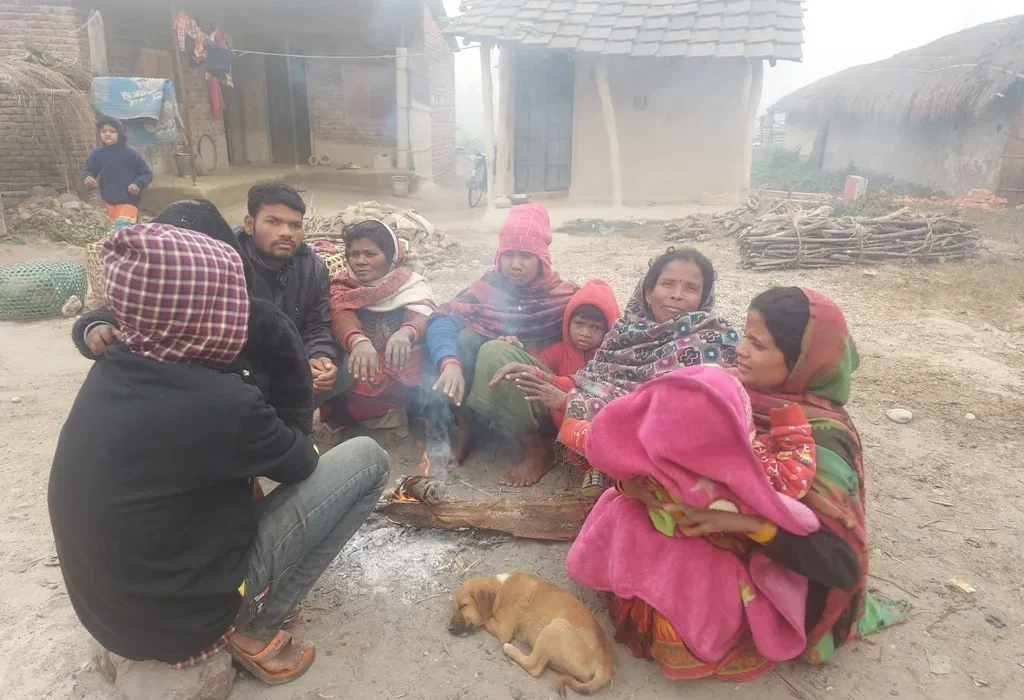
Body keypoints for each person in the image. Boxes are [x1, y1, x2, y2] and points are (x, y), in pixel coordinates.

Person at [49, 223, 389, 684]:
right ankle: (257, 623)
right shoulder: (219, 401)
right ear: (205, 307)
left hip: (111, 615)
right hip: (182, 626)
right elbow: (300, 463)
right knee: (368, 459)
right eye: (230, 299)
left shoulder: (115, 364)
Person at [566, 289, 905, 682]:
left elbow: (841, 564)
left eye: (758, 345)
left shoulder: (822, 435)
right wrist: (633, 485)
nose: (741, 350)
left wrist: (745, 524)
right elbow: (647, 448)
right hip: (695, 520)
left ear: (800, 362)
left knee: (686, 562)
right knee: (623, 512)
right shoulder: (722, 392)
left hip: (766, 556)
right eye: (745, 336)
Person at [71, 199, 315, 435]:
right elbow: (108, 314)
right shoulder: (149, 302)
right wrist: (93, 327)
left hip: (244, 417)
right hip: (166, 414)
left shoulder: (257, 315)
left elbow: (294, 380)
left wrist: (293, 432)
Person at [558, 247, 739, 494]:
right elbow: (593, 381)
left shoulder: (714, 341)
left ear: (703, 298)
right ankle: (601, 468)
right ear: (648, 292)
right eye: (667, 284)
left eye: (690, 288)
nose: (677, 295)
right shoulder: (623, 333)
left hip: (672, 451)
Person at [425, 203, 578, 485]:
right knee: (465, 339)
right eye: (508, 254)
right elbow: (443, 318)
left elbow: (589, 348)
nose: (515, 265)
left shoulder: (564, 297)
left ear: (542, 258)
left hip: (548, 396)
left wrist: (519, 351)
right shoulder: (487, 288)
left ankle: (538, 448)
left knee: (495, 352)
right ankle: (466, 428)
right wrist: (450, 362)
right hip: (500, 391)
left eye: (525, 255)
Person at [472, 280, 620, 487]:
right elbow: (532, 363)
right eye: (579, 324)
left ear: (609, 329)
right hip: (556, 418)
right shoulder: (559, 350)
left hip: (590, 418)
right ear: (567, 322)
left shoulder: (614, 358)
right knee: (508, 363)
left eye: (595, 327)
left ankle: (593, 466)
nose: (585, 333)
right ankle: (545, 451)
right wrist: (514, 347)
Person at [323, 219, 436, 432]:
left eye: (370, 254)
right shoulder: (342, 284)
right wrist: (358, 341)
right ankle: (350, 415)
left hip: (399, 359)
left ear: (391, 256)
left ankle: (415, 410)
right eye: (354, 254)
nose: (360, 261)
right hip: (359, 359)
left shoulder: (410, 283)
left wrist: (406, 333)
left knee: (429, 343)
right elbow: (341, 314)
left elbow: (422, 313)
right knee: (337, 360)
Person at [236, 181, 341, 408]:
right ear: (250, 225)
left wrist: (319, 357)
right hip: (238, 375)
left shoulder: (312, 268)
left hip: (287, 368)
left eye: (295, 225)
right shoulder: (226, 262)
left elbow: (316, 325)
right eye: (273, 222)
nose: (286, 233)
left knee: (348, 363)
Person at [81, 115, 153, 223]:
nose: (107, 134)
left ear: (120, 133)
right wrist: (87, 177)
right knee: (115, 230)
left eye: (112, 131)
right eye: (103, 131)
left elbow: (146, 174)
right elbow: (87, 169)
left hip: (129, 201)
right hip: (109, 201)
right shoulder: (97, 154)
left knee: (123, 227)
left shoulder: (131, 154)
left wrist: (137, 184)